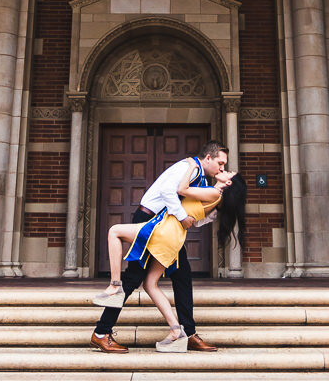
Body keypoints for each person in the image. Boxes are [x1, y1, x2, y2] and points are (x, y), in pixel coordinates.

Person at [90, 140, 239, 353]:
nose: (222, 168)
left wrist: (191, 218)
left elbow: (195, 210)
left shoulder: (202, 180)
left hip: (167, 227)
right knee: (134, 278)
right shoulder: (189, 167)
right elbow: (171, 192)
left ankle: (187, 333)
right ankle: (101, 333)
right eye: (220, 163)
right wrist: (182, 217)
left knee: (182, 276)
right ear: (208, 158)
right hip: (151, 222)